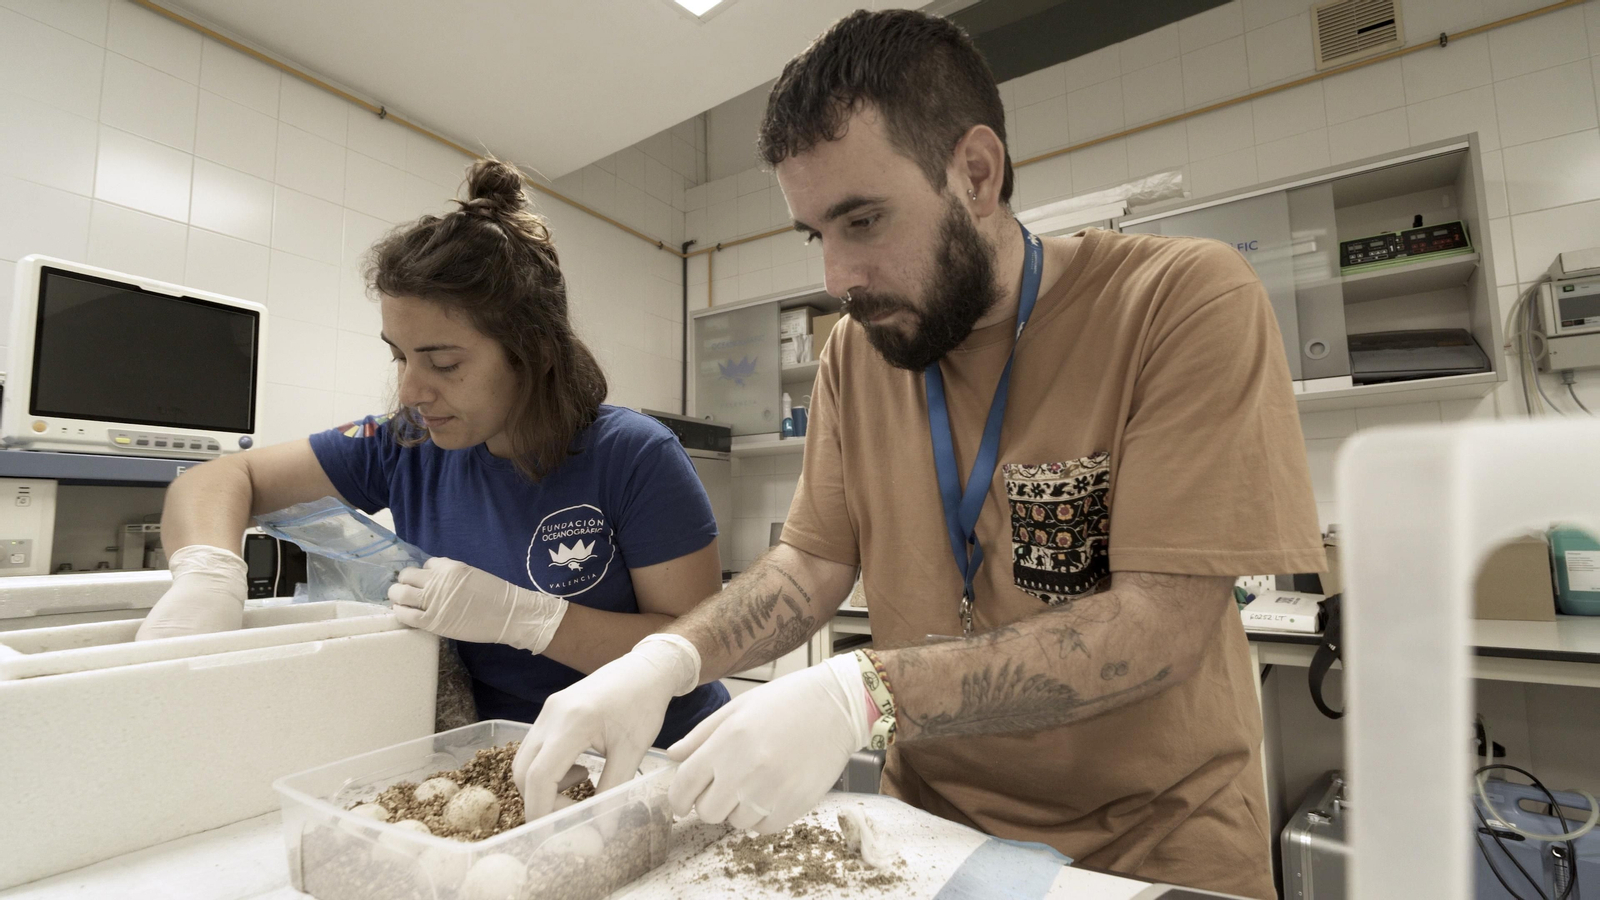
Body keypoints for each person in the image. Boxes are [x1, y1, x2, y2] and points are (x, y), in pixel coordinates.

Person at [136, 158, 729, 744]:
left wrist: (529, 621)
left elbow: (700, 648)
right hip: (498, 751)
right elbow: (216, 479)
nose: (412, 392)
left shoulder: (632, 455)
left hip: (657, 754)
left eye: (443, 363)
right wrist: (209, 574)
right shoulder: (405, 444)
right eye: (400, 356)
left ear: (534, 351)